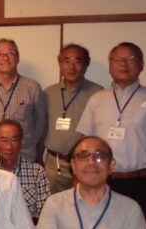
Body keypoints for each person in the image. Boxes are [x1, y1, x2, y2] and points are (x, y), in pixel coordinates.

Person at [77, 42, 146, 229]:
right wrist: (80, 178)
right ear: (110, 65)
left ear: (141, 64)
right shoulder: (97, 99)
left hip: (141, 183)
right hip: (102, 181)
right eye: (118, 59)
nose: (123, 63)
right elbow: (84, 142)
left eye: (130, 59)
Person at [43, 44, 103, 194]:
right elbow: (42, 128)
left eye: (77, 61)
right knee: (53, 205)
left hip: (85, 164)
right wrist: (38, 158)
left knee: (84, 204)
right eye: (66, 61)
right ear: (60, 64)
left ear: (86, 65)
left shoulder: (98, 94)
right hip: (53, 164)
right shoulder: (48, 93)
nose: (71, 66)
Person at [0, 38, 46, 163]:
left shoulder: (33, 87)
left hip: (25, 157)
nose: (5, 58)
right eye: (0, 55)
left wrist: (26, 142)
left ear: (17, 58)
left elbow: (40, 124)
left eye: (10, 53)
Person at [0, 119, 50, 223]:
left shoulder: (37, 172)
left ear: (20, 143)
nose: (9, 146)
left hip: (28, 227)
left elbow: (45, 213)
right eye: (4, 140)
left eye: (14, 140)